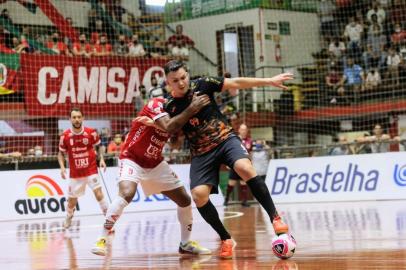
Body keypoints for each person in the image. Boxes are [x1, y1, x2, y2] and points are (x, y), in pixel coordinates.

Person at [139, 60, 292, 259]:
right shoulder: (169, 105)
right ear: (168, 82)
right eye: (175, 80)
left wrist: (268, 80)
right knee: (198, 196)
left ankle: (275, 217)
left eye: (183, 77)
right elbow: (173, 137)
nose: (181, 83)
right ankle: (226, 238)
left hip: (225, 139)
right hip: (201, 153)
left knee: (244, 167)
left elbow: (235, 83)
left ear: (188, 74)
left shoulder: (203, 84)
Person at [91, 93, 212, 256]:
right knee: (127, 193)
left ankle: (185, 243)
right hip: (132, 158)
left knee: (184, 199)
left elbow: (175, 139)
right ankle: (102, 239)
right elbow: (169, 126)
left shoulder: (180, 114)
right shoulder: (156, 104)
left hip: (155, 163)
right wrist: (166, 125)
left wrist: (177, 130)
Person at [58, 108, 109, 229]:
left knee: (99, 194)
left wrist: (101, 159)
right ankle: (69, 216)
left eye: (79, 117)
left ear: (83, 118)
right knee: (72, 202)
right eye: (74, 117)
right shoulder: (65, 136)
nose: (76, 119)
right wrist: (62, 167)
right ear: (70, 119)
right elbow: (60, 153)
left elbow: (99, 147)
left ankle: (109, 220)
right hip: (76, 174)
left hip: (91, 170)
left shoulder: (91, 132)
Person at [223, 123, 252, 207]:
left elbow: (250, 153)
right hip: (235, 165)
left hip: (245, 166)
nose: (244, 131)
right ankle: (226, 200)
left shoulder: (249, 141)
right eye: (242, 129)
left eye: (245, 129)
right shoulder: (234, 139)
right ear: (239, 130)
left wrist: (250, 163)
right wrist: (228, 163)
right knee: (231, 184)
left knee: (244, 184)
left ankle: (244, 201)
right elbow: (228, 152)